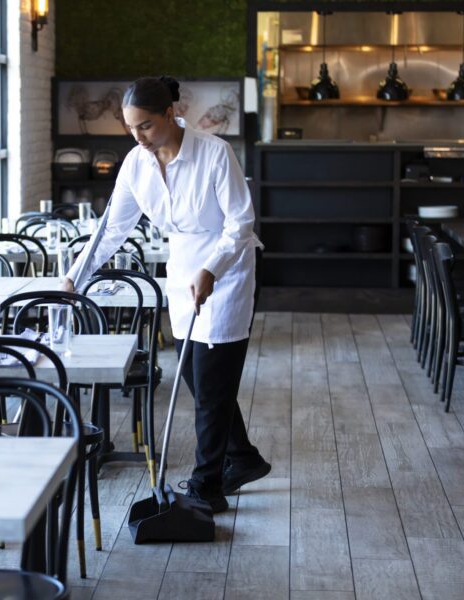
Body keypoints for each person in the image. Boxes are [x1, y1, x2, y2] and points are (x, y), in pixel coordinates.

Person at [62, 76, 270, 512]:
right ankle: (244, 458)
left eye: (146, 126)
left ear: (171, 115)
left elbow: (239, 223)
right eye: (130, 127)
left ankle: (206, 486)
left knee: (211, 385)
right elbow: (112, 229)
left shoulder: (215, 153)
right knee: (198, 377)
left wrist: (212, 269)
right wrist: (74, 277)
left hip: (225, 272)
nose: (137, 137)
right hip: (181, 275)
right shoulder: (136, 164)